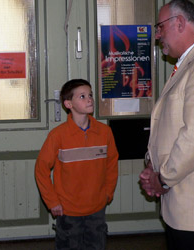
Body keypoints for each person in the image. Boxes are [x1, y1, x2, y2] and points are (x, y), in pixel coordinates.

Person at [139, 1, 194, 249]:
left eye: (160, 27)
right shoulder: (191, 63)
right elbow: (169, 126)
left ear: (179, 23)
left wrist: (163, 179)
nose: (157, 36)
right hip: (183, 201)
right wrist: (151, 166)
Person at [35, 79, 119, 250]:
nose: (89, 99)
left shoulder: (104, 132)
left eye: (90, 95)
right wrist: (52, 202)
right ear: (68, 104)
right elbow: (41, 169)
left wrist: (108, 193)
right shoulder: (58, 136)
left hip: (97, 207)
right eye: (82, 96)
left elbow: (112, 164)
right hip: (67, 210)